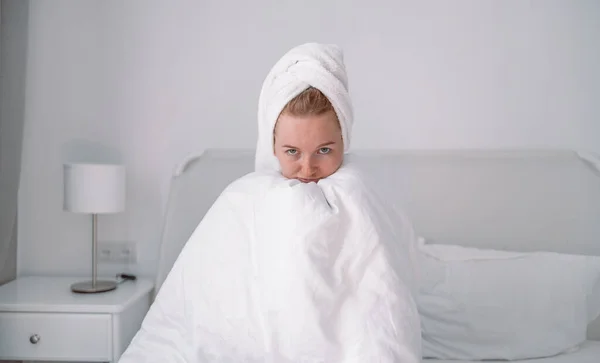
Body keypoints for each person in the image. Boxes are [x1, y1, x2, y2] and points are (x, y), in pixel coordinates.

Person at [118, 43, 421, 363]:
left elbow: (382, 299)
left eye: (324, 150)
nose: (307, 169)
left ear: (344, 139)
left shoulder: (366, 193)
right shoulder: (243, 198)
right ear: (272, 145)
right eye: (293, 151)